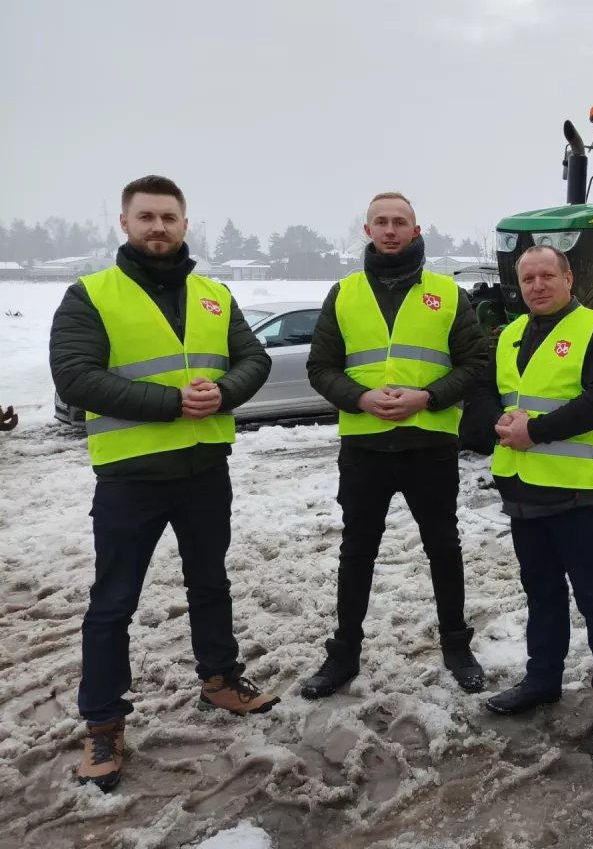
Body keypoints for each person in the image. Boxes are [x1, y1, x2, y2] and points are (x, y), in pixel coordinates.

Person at [48, 175, 278, 792]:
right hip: (131, 478)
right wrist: (171, 402)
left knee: (211, 583)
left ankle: (220, 680)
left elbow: (251, 359)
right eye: (146, 217)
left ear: (184, 223)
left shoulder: (212, 293)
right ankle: (103, 723)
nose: (158, 227)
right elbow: (75, 376)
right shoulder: (91, 295)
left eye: (168, 218)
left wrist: (224, 391)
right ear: (124, 223)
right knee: (113, 603)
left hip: (205, 471)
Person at [301, 192, 490, 699]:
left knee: (443, 548)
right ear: (367, 231)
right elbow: (320, 367)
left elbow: (475, 364)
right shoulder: (343, 294)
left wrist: (427, 397)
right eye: (380, 222)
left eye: (399, 222)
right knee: (356, 552)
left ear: (416, 229)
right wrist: (359, 398)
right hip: (364, 449)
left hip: (429, 445)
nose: (390, 230)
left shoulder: (447, 295)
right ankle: (343, 654)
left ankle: (456, 644)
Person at [474, 244, 593, 749]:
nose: (537, 286)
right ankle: (542, 681)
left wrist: (535, 431)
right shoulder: (510, 336)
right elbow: (487, 394)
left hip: (580, 496)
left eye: (547, 276)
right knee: (542, 595)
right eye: (528, 279)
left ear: (568, 279)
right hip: (524, 491)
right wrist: (493, 424)